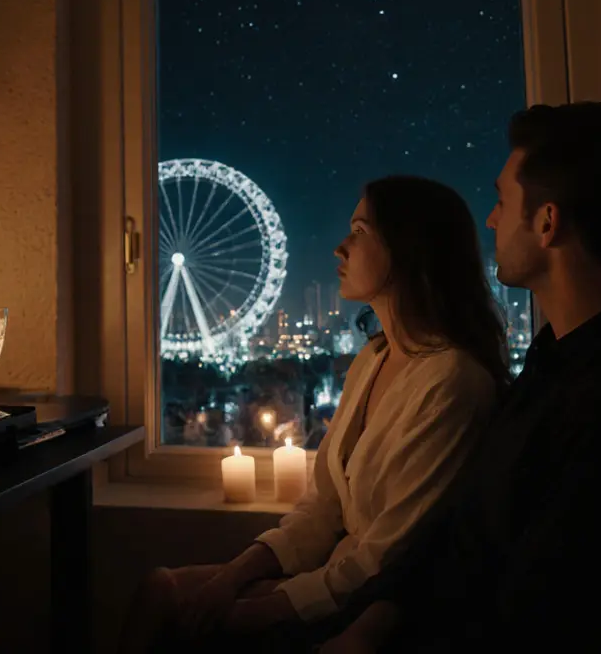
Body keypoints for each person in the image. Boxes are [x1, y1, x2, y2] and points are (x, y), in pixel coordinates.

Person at [323, 102, 601, 653]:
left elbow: (540, 613)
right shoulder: (559, 358)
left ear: (547, 222)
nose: (490, 219)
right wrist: (374, 620)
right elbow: (460, 525)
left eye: (502, 200)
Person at [117, 176, 511, 653]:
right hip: (328, 576)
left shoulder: (452, 383)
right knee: (160, 586)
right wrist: (232, 576)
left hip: (362, 604)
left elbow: (387, 557)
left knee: (169, 606)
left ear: (409, 248)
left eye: (360, 232)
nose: (339, 249)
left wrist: (255, 610)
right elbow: (322, 506)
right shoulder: (372, 361)